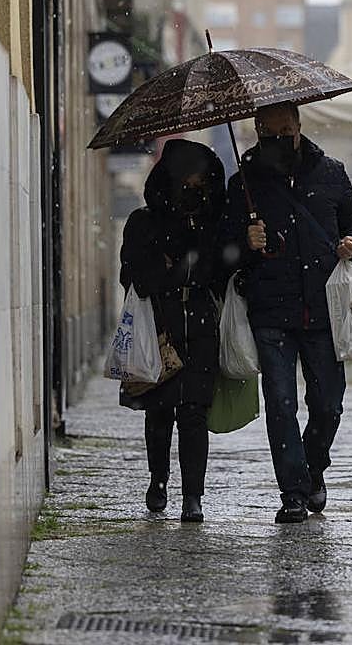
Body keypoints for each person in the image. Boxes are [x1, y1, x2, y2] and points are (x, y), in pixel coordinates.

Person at [225, 102, 352, 524]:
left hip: (324, 309)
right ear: (256, 131)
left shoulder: (331, 173)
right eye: (269, 132)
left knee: (328, 405)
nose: (279, 139)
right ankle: (292, 493)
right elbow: (225, 251)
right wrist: (244, 240)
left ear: (299, 126)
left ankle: (313, 467)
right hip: (270, 310)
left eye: (286, 130)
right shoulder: (244, 183)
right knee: (281, 403)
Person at [118, 139, 234, 523]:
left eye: (202, 183)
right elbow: (131, 277)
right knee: (160, 410)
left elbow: (223, 271)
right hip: (159, 326)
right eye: (190, 181)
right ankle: (158, 479)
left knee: (194, 413)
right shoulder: (143, 222)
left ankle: (193, 496)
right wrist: (165, 262)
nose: (195, 189)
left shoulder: (211, 223)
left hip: (200, 326)